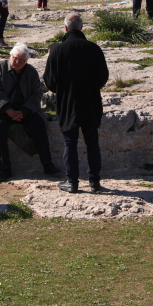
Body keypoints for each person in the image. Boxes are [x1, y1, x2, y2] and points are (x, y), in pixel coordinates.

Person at [0, 43, 58, 182]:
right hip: (3, 109)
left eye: (21, 60)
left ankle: (47, 164)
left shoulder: (31, 72)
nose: (17, 62)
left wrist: (24, 111)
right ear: (10, 56)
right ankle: (4, 169)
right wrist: (8, 110)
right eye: (15, 58)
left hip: (25, 109)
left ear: (26, 61)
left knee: (39, 125)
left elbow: (36, 93)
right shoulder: (0, 67)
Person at [43, 13, 109, 193]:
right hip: (90, 100)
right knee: (92, 142)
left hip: (67, 102)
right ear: (81, 27)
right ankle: (94, 182)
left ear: (65, 28)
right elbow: (103, 77)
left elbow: (49, 81)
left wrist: (63, 89)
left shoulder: (57, 50)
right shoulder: (94, 49)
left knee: (70, 143)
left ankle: (72, 182)